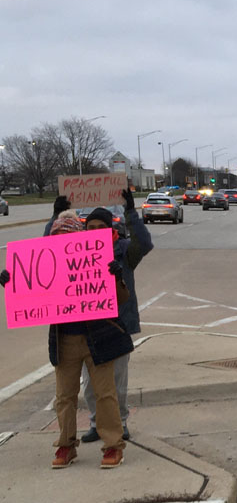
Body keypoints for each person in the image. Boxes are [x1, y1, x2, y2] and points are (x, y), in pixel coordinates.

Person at [1, 209, 132, 469]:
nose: (60, 240)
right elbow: (31, 292)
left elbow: (120, 300)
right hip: (65, 342)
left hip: (99, 338)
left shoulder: (95, 261)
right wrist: (10, 283)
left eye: (66, 235)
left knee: (105, 395)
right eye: (56, 236)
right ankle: (66, 445)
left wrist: (116, 276)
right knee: (64, 397)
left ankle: (113, 446)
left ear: (78, 238)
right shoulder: (47, 264)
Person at [80, 184, 153, 443]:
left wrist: (131, 211)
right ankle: (96, 423)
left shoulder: (124, 251)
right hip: (87, 327)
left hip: (118, 325)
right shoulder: (76, 254)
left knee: (117, 384)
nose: (96, 232)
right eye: (91, 228)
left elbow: (144, 243)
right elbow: (47, 252)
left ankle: (120, 423)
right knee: (89, 385)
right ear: (84, 230)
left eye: (101, 228)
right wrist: (56, 217)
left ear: (110, 229)